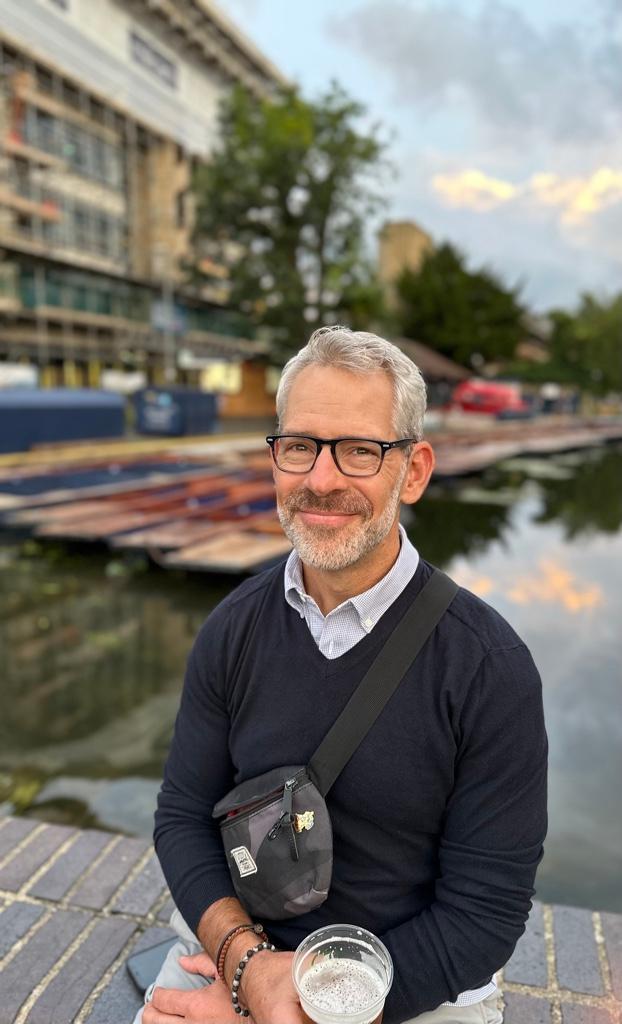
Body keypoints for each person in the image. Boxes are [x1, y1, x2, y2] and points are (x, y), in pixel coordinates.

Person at [138, 326, 547, 1024]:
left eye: (359, 450)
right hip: (240, 947)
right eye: (300, 446)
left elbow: (484, 913)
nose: (321, 481)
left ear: (414, 470)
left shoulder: (488, 668)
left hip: (402, 987)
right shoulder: (232, 630)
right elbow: (182, 816)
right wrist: (247, 968)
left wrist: (305, 1008)